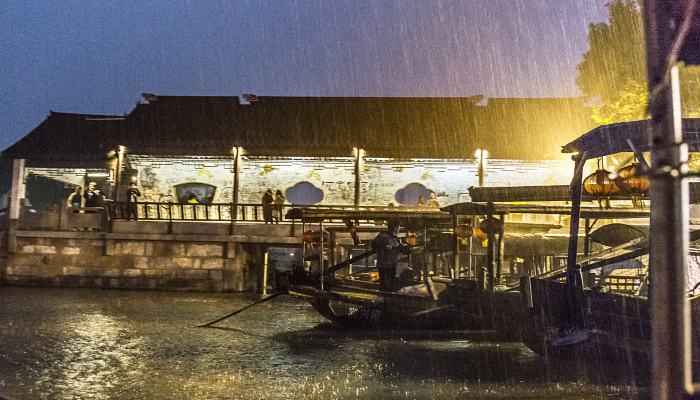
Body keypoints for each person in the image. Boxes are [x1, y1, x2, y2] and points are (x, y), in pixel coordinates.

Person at [372, 219, 411, 292]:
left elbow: (402, 248)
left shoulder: (394, 238)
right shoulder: (384, 236)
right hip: (385, 266)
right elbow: (374, 244)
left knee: (390, 287)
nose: (399, 229)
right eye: (399, 227)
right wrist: (387, 244)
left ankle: (388, 300)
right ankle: (385, 301)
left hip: (391, 266)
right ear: (395, 228)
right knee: (385, 288)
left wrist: (406, 247)